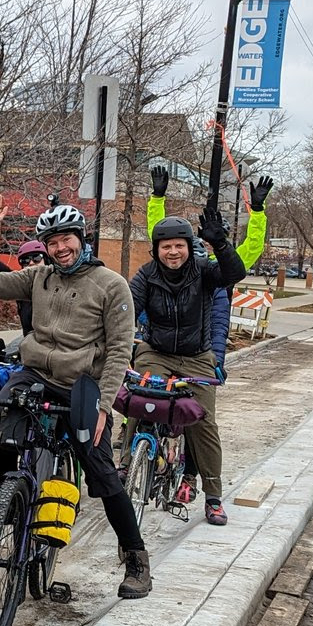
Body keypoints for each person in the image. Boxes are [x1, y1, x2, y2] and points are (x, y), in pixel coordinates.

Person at [0, 195, 153, 599]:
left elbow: (121, 351)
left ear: (80, 238)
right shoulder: (39, 277)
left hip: (82, 384)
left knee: (102, 472)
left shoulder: (111, 285)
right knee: (1, 425)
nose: (60, 248)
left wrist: (103, 407)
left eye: (66, 239)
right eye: (52, 242)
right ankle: (12, 500)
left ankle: (137, 557)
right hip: (35, 372)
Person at [129, 208, 246, 526]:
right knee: (140, 399)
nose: (172, 251)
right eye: (165, 246)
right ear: (156, 250)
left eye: (179, 245)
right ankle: (129, 464)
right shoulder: (146, 275)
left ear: (187, 246)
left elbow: (234, 274)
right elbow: (126, 311)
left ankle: (213, 496)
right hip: (157, 351)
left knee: (203, 422)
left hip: (197, 356)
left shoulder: (203, 270)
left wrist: (220, 244)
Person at [147, 164, 271, 379]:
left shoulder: (225, 266)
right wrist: (157, 198)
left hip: (208, 339)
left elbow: (253, 245)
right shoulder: (188, 259)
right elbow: (159, 236)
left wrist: (258, 211)